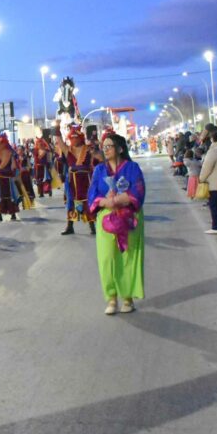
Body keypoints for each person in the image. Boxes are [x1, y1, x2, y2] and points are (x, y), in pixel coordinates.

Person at [87, 133, 146, 315]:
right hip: (106, 218)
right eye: (103, 146)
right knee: (107, 258)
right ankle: (111, 297)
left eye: (109, 146)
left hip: (128, 217)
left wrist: (123, 198)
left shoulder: (133, 168)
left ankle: (127, 298)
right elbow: (92, 193)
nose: (105, 149)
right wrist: (104, 202)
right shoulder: (99, 170)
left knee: (128, 257)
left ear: (120, 148)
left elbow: (139, 189)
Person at [53, 125, 97, 235]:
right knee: (70, 202)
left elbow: (97, 160)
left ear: (80, 137)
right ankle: (70, 226)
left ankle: (92, 226)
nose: (73, 139)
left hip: (86, 180)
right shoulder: (68, 150)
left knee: (88, 201)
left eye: (75, 137)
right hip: (72, 180)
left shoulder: (88, 149)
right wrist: (57, 128)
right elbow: (59, 141)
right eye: (71, 137)